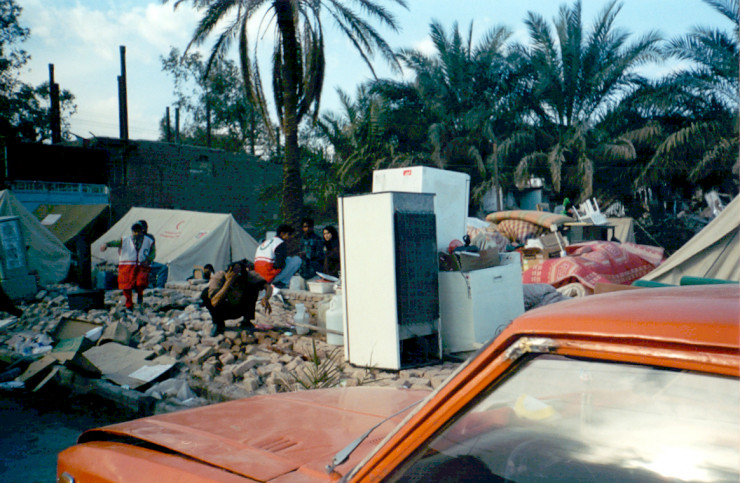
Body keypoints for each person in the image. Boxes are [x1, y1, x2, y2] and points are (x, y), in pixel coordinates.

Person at [201, 260, 272, 336]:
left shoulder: (248, 275)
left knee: (253, 287)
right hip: (223, 309)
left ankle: (246, 321)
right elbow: (214, 302)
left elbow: (267, 286)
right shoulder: (219, 277)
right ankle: (218, 323)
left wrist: (266, 298)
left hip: (239, 308)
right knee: (206, 293)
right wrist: (228, 282)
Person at [100, 221, 155, 309]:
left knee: (141, 282)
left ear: (142, 231)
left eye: (138, 230)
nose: (136, 233)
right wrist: (106, 244)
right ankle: (129, 304)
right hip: (127, 266)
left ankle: (140, 295)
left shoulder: (148, 241)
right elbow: (116, 243)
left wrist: (148, 260)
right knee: (126, 285)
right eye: (135, 231)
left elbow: (153, 252)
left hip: (141, 265)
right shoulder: (125, 239)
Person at [254, 224, 302, 289]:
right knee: (297, 260)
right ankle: (282, 283)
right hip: (268, 278)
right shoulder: (280, 243)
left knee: (288, 259)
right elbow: (279, 264)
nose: (290, 237)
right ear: (282, 234)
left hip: (258, 277)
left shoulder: (267, 242)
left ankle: (278, 281)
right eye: (289, 234)